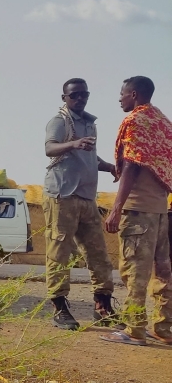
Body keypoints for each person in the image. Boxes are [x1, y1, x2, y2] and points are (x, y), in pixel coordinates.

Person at [43, 78, 119, 330]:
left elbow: (88, 156)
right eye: (74, 95)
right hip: (62, 196)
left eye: (84, 95)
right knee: (59, 254)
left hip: (87, 198)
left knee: (98, 254)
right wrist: (74, 143)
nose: (80, 99)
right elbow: (50, 148)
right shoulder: (59, 121)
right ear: (64, 97)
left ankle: (103, 305)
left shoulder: (89, 123)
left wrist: (108, 166)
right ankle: (59, 308)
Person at [101, 76, 172, 346]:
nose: (120, 99)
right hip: (159, 211)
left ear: (133, 94)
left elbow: (131, 164)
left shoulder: (136, 121)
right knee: (163, 272)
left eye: (122, 94)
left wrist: (116, 209)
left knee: (135, 272)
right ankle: (164, 328)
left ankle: (134, 330)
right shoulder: (163, 122)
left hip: (139, 210)